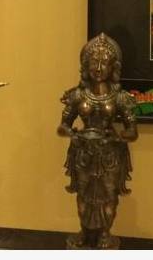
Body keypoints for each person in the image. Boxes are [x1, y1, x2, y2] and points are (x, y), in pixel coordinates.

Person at [57, 33, 138, 249]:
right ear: (86, 65)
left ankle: (104, 234)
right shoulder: (77, 95)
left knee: (109, 195)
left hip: (110, 154)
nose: (99, 68)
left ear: (113, 67)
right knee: (83, 195)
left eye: (104, 63)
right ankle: (84, 232)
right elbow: (62, 126)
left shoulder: (120, 98)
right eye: (94, 62)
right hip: (83, 153)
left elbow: (132, 131)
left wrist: (118, 137)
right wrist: (73, 134)